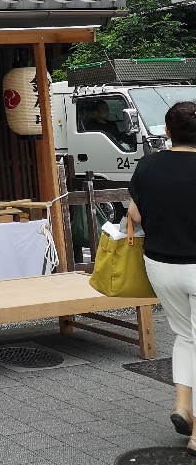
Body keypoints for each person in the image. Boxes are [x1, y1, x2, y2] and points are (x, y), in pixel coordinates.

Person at [127, 101, 196, 453]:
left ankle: (183, 404)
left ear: (167, 131)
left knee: (186, 336)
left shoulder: (149, 165)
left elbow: (136, 215)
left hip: (161, 266)